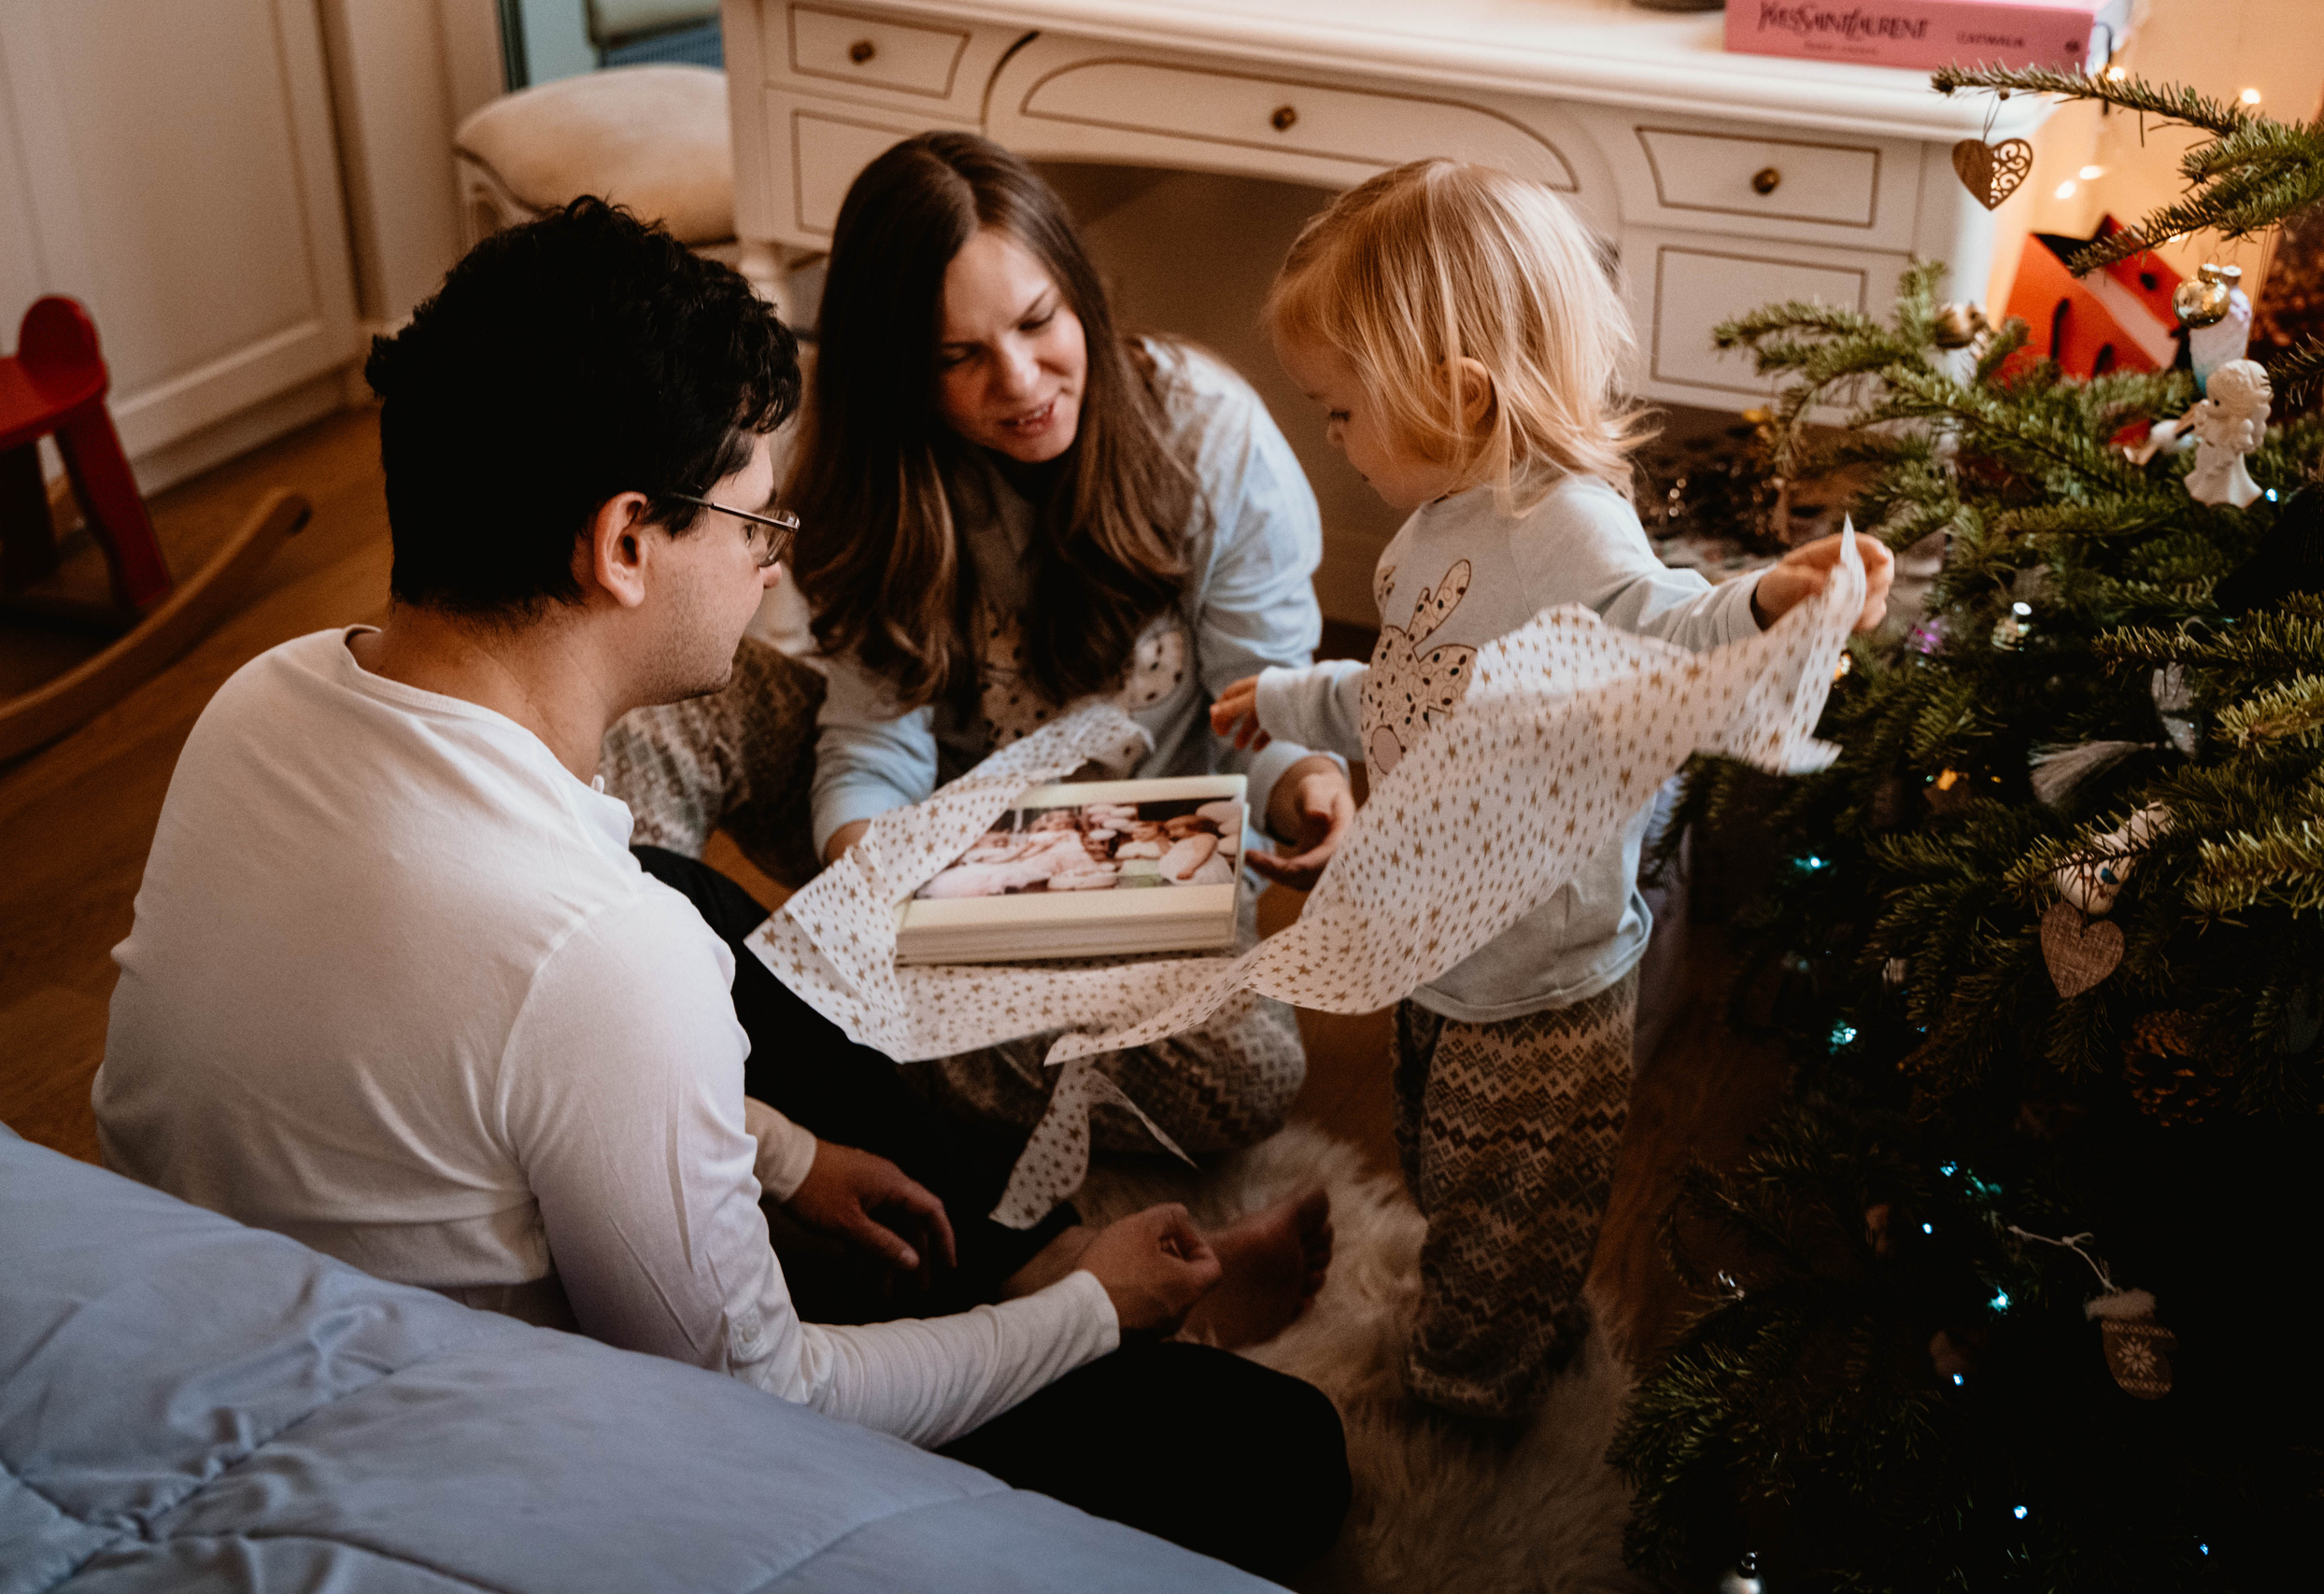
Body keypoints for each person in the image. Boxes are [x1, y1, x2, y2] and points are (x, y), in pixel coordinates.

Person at [92, 199, 1347, 1579]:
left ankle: (1013, 1254)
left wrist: (789, 1155)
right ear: (626, 541)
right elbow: (757, 1405)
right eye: (756, 516)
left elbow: (470, 1039)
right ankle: (1062, 1279)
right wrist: (1088, 1312)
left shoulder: (263, 694)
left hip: (242, 1322)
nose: (773, 556)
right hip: (491, 1460)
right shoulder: (601, 951)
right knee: (1287, 1454)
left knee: (725, 935)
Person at [1212, 161, 1894, 1420]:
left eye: (1341, 411)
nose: (1336, 439)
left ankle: (1462, 1399)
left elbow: (1671, 629)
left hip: (1538, 985)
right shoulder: (1431, 531)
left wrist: (1765, 601)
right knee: (1445, 1161)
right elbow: (1408, 692)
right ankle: (1494, 1305)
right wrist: (1291, 700)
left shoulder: (1570, 528)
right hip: (1439, 947)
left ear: (1457, 394)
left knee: (1514, 1192)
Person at [602, 132, 1349, 1171]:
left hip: (1129, 875)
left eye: (1040, 323)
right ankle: (645, 1024)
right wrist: (870, 861)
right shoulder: (872, 478)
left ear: (1079, 292)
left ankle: (784, 1052)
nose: (1020, 381)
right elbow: (872, 741)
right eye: (957, 358)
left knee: (1249, 1074)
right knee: (654, 704)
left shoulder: (1210, 437)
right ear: (900, 370)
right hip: (926, 856)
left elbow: (1257, 705)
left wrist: (1306, 781)